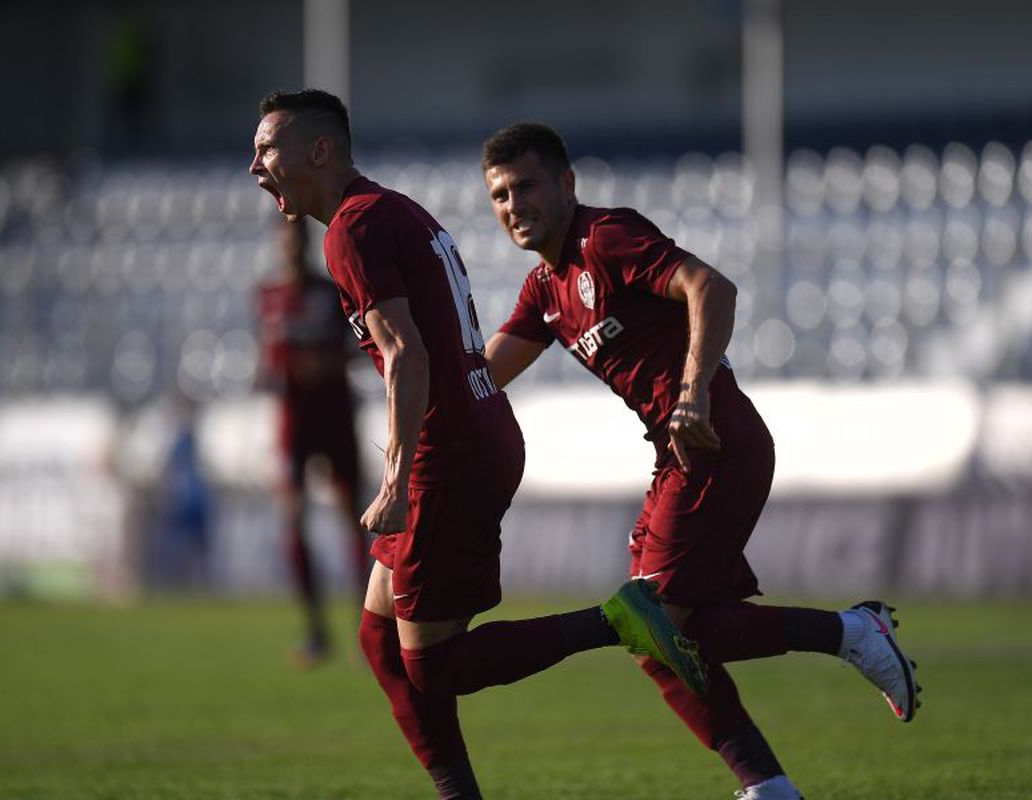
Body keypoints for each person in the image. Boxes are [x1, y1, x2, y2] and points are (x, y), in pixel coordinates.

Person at [251, 89, 707, 799]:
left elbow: (406, 353)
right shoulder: (389, 209)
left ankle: (618, 620)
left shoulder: (351, 229)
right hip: (472, 433)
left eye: (267, 150)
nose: (255, 167)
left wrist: (397, 480)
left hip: (448, 454)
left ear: (318, 150)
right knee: (380, 644)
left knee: (440, 667)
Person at [479, 122, 921, 800]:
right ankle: (782, 762)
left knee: (650, 623)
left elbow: (711, 288)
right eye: (501, 195)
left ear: (567, 184)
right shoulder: (546, 289)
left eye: (527, 186)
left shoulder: (606, 238)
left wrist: (694, 396)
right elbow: (483, 377)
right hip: (676, 457)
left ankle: (845, 647)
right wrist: (412, 403)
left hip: (715, 441)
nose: (514, 206)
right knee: (671, 636)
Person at [256, 218, 368, 663]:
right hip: (292, 420)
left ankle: (367, 628)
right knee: (293, 518)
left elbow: (361, 343)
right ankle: (315, 630)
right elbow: (266, 354)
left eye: (298, 238)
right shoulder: (267, 295)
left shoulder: (330, 291)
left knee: (353, 520)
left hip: (335, 413)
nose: (291, 247)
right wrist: (268, 372)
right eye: (285, 239)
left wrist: (326, 364)